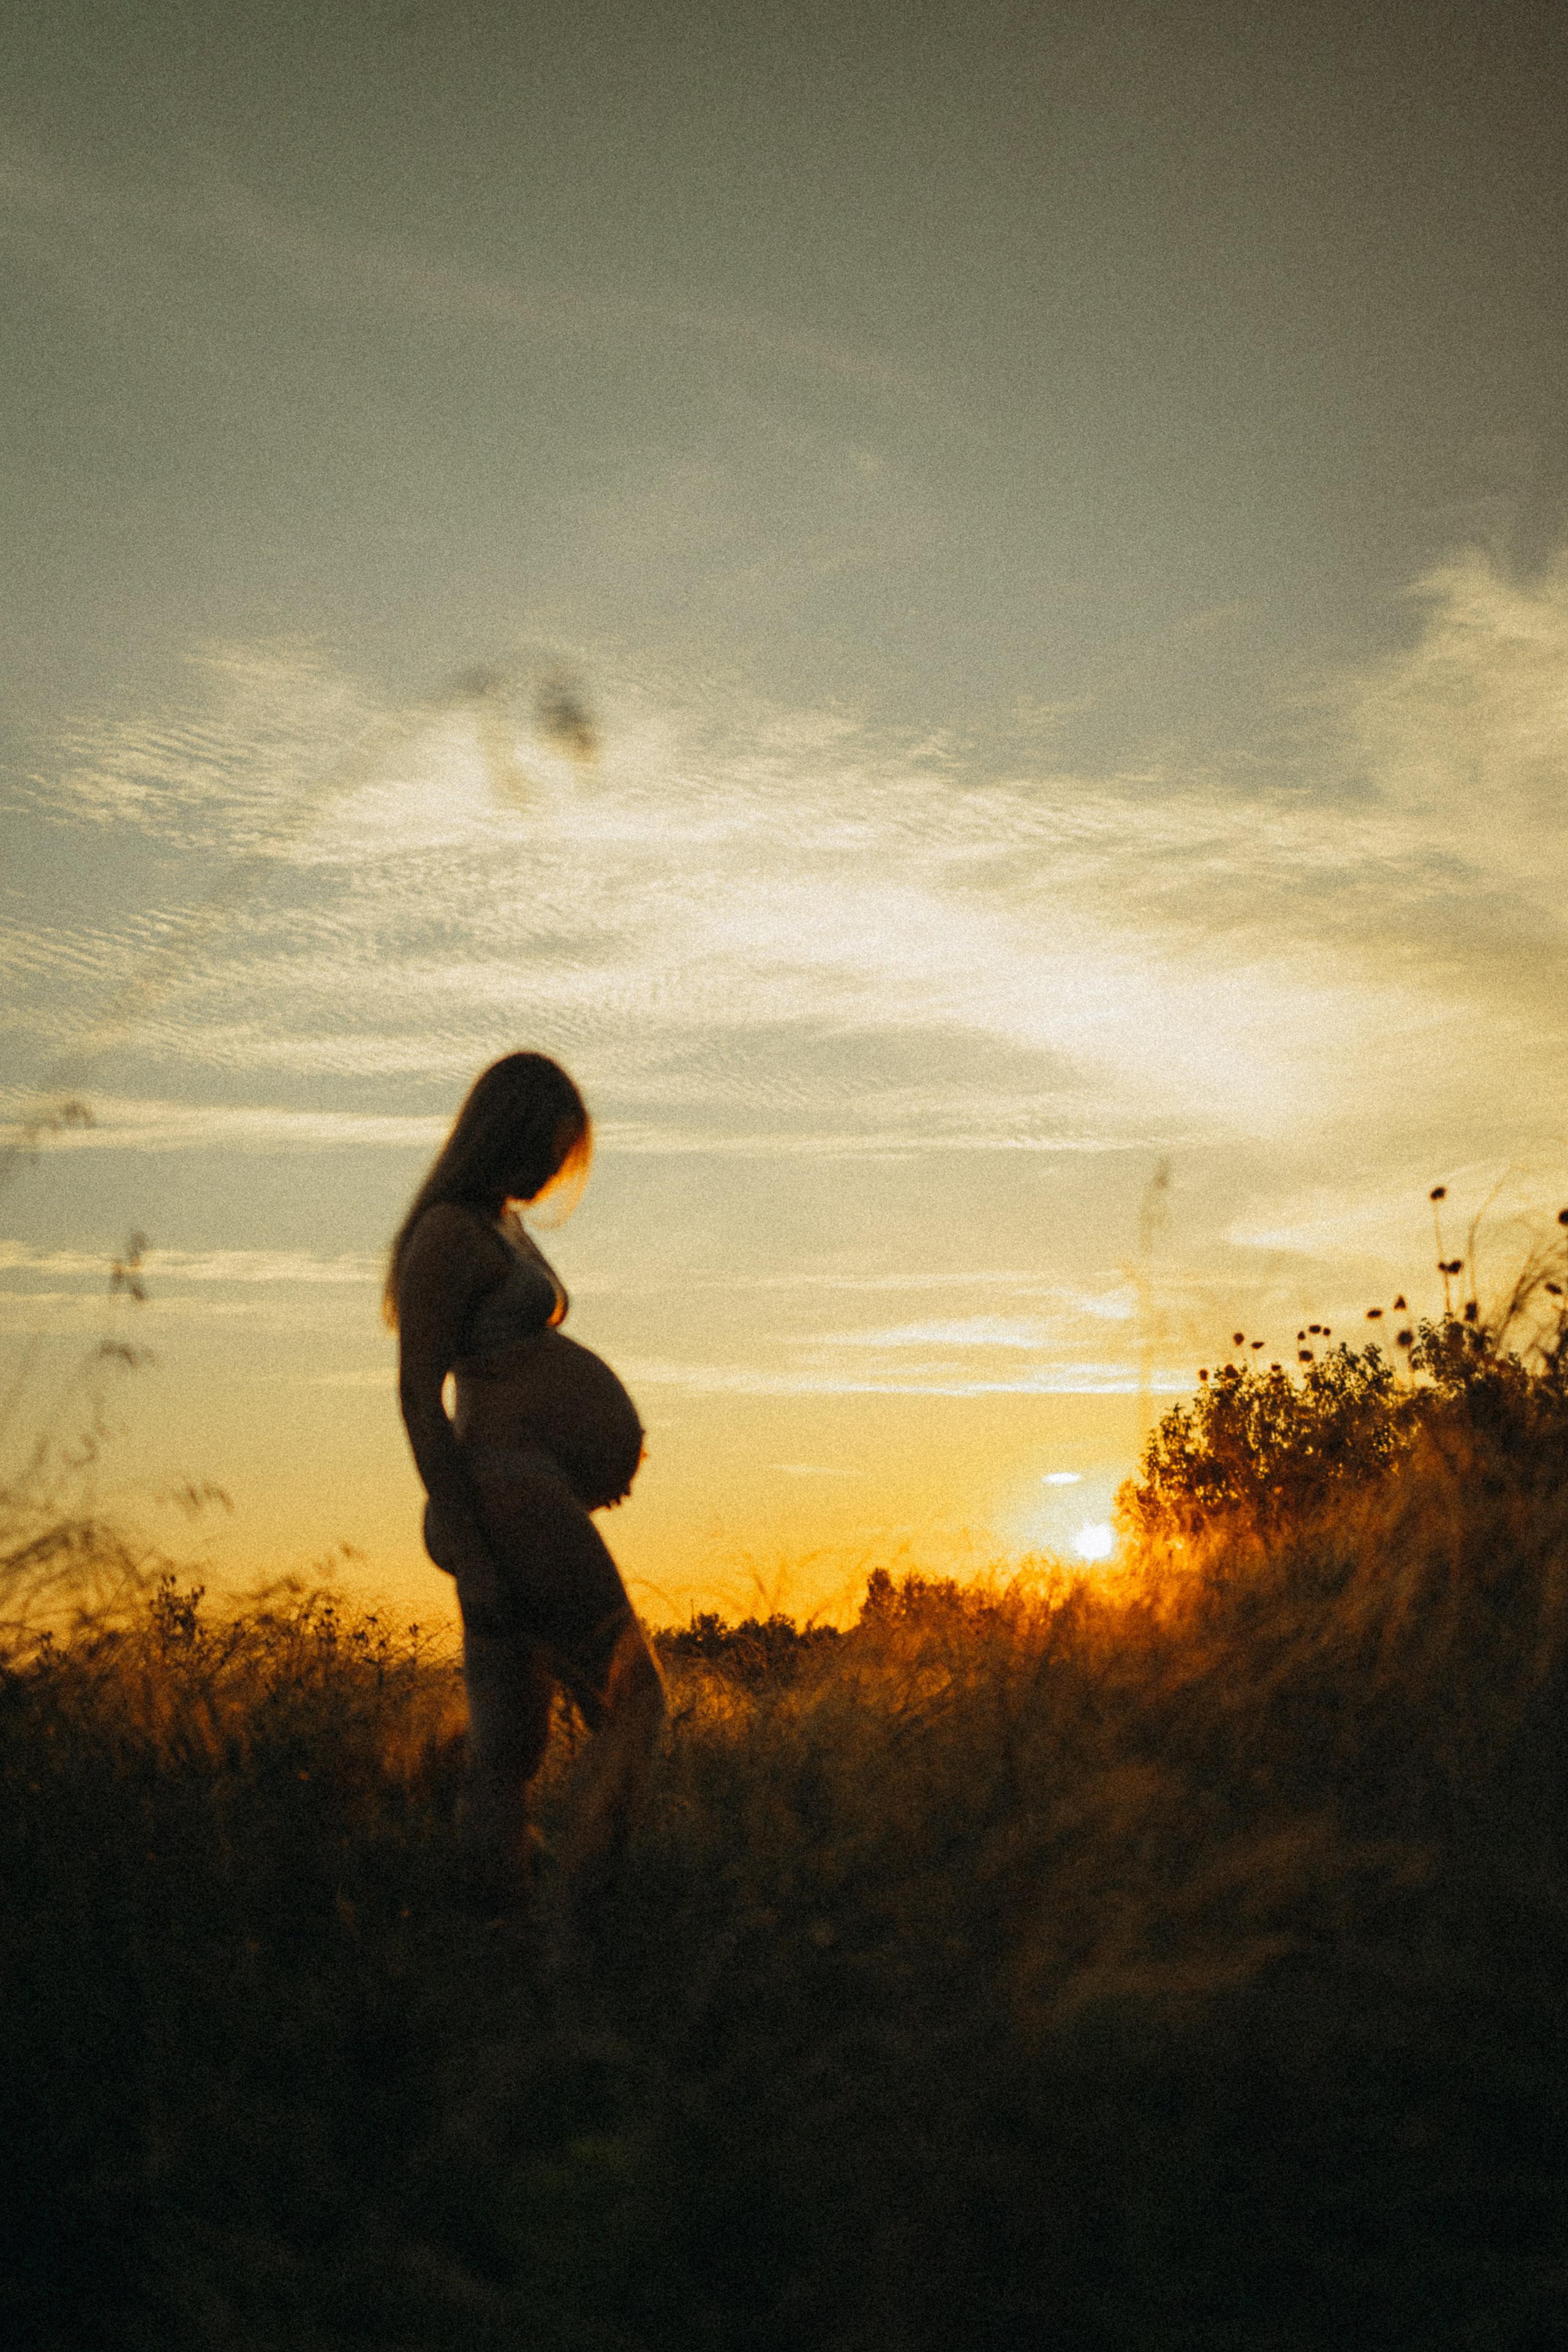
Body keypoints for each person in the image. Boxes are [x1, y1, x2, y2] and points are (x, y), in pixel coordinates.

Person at [385, 1051, 664, 1948]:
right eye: (545, 1147)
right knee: (636, 1702)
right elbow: (420, 1398)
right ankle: (588, 1914)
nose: (552, 1171)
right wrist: (471, 1552)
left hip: (532, 1491)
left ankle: (492, 1934)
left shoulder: (501, 1226)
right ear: (503, 1130)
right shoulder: (449, 1235)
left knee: (508, 1745)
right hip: (504, 1494)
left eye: (564, 1154)